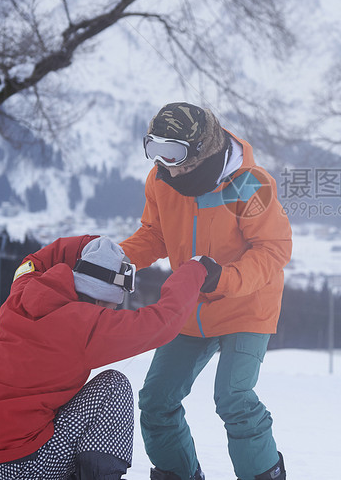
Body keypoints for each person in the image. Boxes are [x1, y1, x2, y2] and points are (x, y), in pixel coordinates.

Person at [0, 235, 218, 480]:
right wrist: (196, 269)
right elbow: (163, 322)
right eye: (116, 302)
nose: (115, 309)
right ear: (102, 301)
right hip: (22, 465)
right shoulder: (87, 326)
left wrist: (91, 245)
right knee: (114, 386)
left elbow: (33, 261)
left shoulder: (21, 293)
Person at [121, 102, 292, 480]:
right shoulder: (161, 180)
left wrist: (224, 278)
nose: (167, 163)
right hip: (190, 305)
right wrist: (119, 258)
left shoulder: (250, 182)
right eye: (155, 150)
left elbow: (273, 249)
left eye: (176, 153)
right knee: (156, 401)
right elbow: (155, 234)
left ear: (201, 148)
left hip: (247, 305)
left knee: (234, 400)